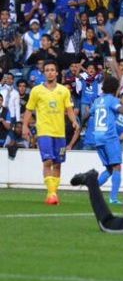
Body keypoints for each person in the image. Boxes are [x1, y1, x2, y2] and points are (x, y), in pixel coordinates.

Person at [22, 60, 80, 205]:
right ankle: (52, 193)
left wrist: (74, 121)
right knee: (47, 161)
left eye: (52, 70)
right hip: (44, 131)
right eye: (47, 70)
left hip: (60, 133)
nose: (49, 72)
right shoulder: (36, 90)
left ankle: (52, 193)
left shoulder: (64, 90)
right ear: (44, 73)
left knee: (57, 164)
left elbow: (69, 109)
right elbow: (29, 110)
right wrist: (25, 126)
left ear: (57, 72)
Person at [88, 75, 123, 205]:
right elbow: (121, 109)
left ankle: (93, 189)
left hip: (98, 138)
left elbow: (87, 114)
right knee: (117, 167)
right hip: (109, 137)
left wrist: (80, 126)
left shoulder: (97, 101)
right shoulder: (112, 100)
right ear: (115, 88)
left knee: (109, 168)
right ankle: (113, 198)